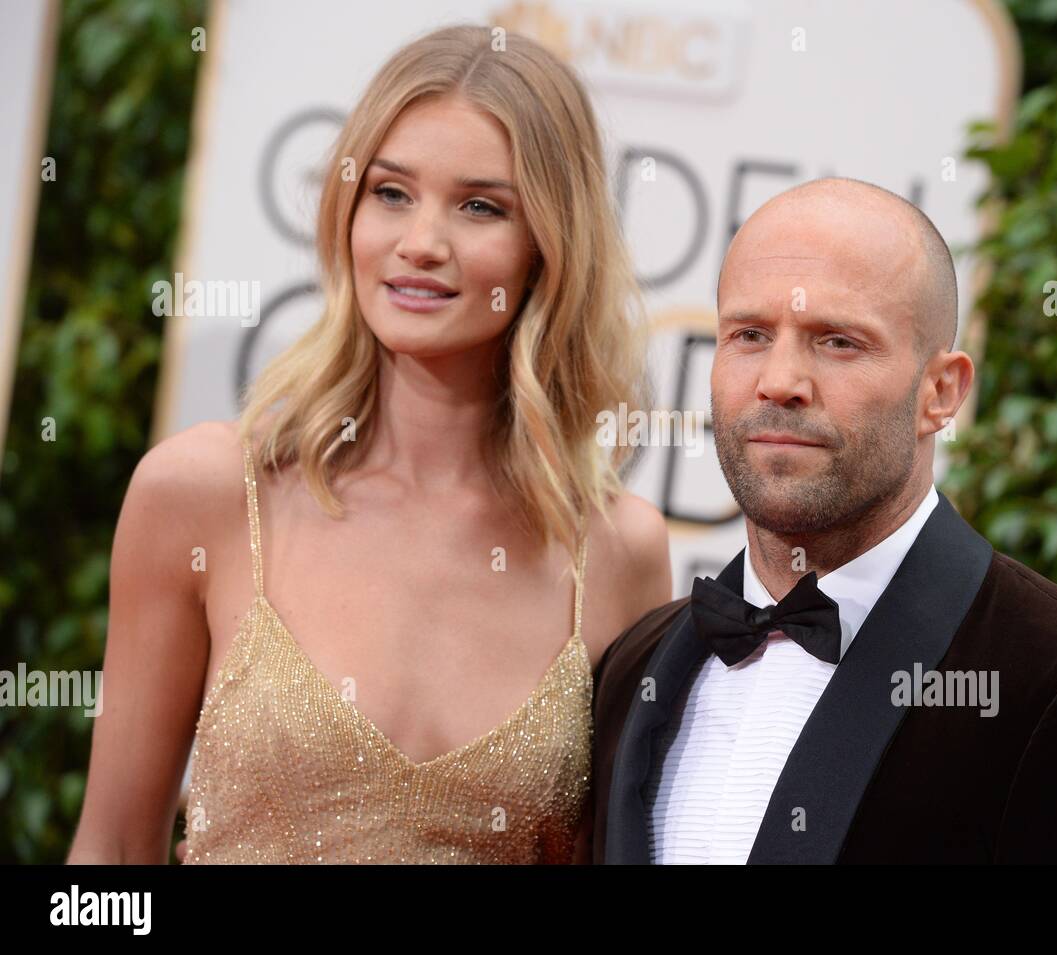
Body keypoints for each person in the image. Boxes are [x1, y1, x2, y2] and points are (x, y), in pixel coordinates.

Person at [67, 24, 671, 865]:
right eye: (391, 193)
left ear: (547, 250)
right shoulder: (205, 492)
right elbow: (112, 852)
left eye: (480, 206)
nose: (421, 241)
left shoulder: (616, 552)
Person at [591, 177, 1057, 864]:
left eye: (838, 341)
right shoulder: (635, 666)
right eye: (749, 334)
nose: (780, 380)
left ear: (941, 391)